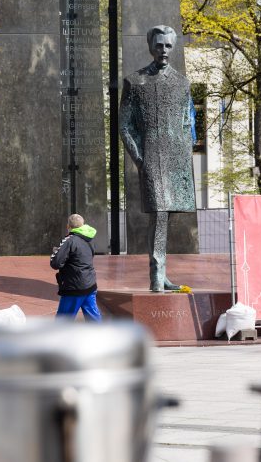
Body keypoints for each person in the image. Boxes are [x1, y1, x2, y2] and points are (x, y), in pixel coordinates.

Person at [119, 25, 196, 291]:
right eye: (159, 45)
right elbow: (125, 126)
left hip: (177, 158)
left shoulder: (181, 83)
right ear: (151, 46)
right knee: (160, 213)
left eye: (168, 46)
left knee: (168, 215)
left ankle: (160, 273)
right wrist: (139, 159)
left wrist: (187, 151)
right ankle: (156, 275)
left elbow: (188, 122)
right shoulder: (135, 82)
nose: (164, 50)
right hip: (152, 156)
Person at [50, 214, 101, 321]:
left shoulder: (69, 240)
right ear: (82, 224)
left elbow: (56, 263)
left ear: (68, 226)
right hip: (90, 284)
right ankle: (101, 337)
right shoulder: (90, 239)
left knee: (63, 322)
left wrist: (56, 252)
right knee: (94, 319)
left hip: (74, 287)